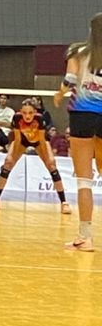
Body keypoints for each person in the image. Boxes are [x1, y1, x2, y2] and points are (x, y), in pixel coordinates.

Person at [54, 14, 102, 253]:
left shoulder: (78, 51)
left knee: (84, 180)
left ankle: (85, 237)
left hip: (82, 116)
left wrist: (59, 94)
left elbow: (70, 79)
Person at [0, 98, 71, 214]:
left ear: (35, 112)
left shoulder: (40, 119)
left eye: (30, 113)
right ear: (21, 112)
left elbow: (42, 140)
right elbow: (17, 139)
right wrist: (12, 157)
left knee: (52, 165)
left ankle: (64, 203)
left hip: (39, 142)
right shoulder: (17, 118)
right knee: (8, 162)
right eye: (24, 113)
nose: (27, 116)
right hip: (22, 141)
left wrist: (47, 159)